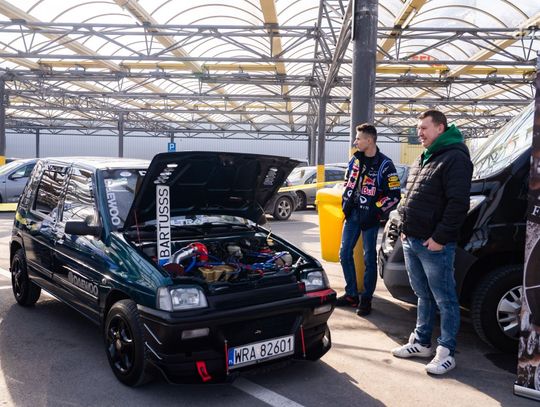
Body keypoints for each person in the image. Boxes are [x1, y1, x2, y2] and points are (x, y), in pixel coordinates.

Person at [391, 110, 473, 375]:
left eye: (424, 128)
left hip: (434, 245)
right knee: (422, 295)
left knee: (445, 299)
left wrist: (439, 238)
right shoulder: (425, 157)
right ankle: (421, 342)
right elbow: (410, 196)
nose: (420, 133)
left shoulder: (455, 158)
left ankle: (446, 351)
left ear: (440, 128)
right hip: (412, 239)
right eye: (418, 129)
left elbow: (458, 204)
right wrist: (404, 228)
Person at [336, 123, 401, 316]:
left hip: (370, 218)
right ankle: (351, 294)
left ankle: (366, 299)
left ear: (369, 140)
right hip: (352, 215)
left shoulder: (385, 164)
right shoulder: (354, 160)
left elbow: (394, 195)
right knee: (344, 253)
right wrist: (346, 203)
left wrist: (375, 210)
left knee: (369, 259)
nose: (355, 142)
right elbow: (347, 182)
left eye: (358, 138)